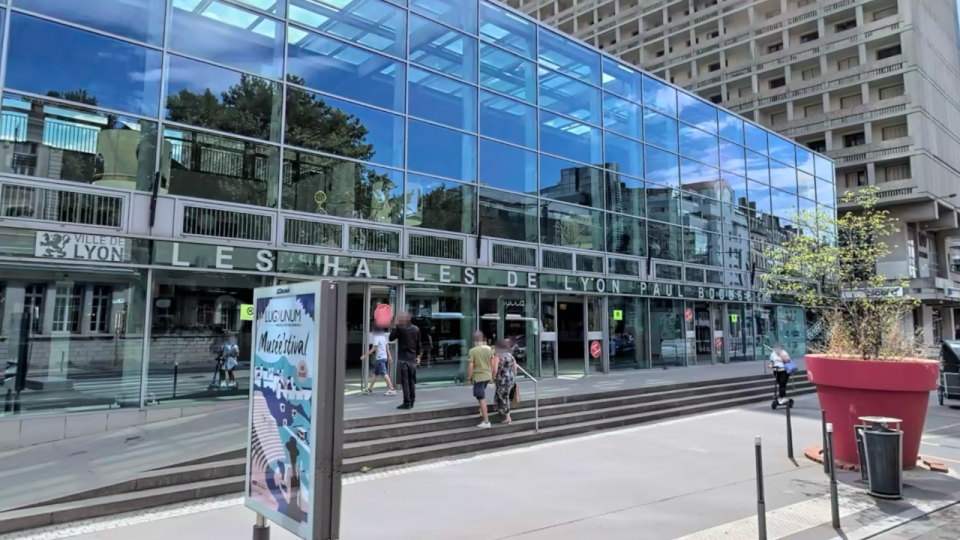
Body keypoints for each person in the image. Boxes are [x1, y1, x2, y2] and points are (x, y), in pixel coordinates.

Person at [389, 312, 421, 410]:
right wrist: (418, 356)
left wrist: (395, 326)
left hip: (403, 358)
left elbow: (391, 338)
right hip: (412, 358)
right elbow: (418, 344)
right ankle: (412, 401)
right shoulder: (416, 329)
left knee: (405, 381)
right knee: (411, 380)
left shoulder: (400, 329)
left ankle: (406, 402)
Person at [467, 331, 495, 429]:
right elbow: (493, 363)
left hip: (478, 377)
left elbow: (470, 366)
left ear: (474, 339)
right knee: (480, 395)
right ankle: (482, 411)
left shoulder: (472, 351)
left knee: (481, 398)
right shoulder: (489, 349)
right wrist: (492, 376)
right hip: (487, 376)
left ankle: (486, 421)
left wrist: (469, 378)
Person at [360, 327, 395, 396]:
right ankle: (369, 389)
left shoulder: (376, 338)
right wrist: (389, 356)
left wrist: (365, 356)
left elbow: (374, 348)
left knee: (384, 374)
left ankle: (392, 389)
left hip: (380, 358)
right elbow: (387, 347)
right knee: (375, 374)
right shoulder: (383, 337)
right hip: (383, 357)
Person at [492, 339, 518, 425]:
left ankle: (508, 417)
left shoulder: (497, 356)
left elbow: (495, 369)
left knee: (503, 397)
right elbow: (515, 367)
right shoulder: (510, 355)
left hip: (502, 379)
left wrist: (492, 378)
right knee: (505, 396)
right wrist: (514, 375)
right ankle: (502, 411)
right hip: (510, 378)